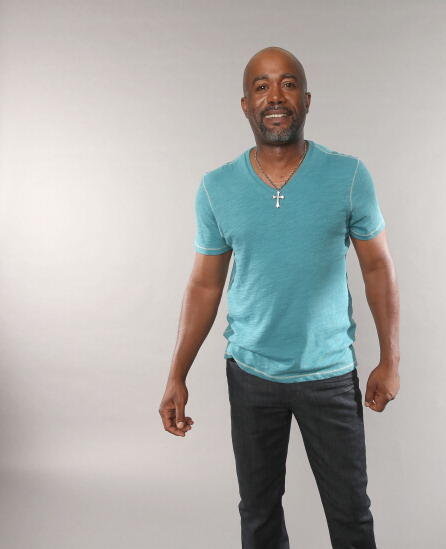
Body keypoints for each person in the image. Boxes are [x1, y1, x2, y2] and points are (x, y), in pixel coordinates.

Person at [159, 46, 400, 549]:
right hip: (250, 376)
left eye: (288, 84)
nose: (275, 96)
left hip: (329, 374)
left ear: (307, 100)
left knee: (351, 515)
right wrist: (176, 374)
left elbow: (377, 267)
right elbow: (205, 285)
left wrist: (390, 359)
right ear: (245, 104)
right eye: (262, 86)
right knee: (259, 513)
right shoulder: (217, 187)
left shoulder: (348, 175)